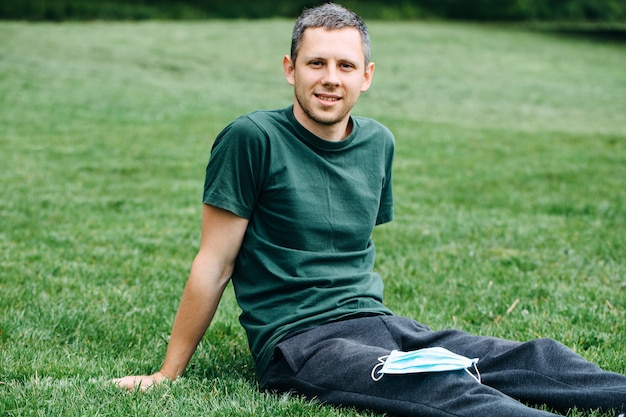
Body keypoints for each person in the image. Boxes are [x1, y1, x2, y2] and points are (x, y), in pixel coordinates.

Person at [113, 3, 626, 416]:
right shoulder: (252, 138)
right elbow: (215, 261)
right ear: (290, 69)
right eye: (316, 63)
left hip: (376, 321)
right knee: (440, 386)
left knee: (532, 358)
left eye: (345, 65)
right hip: (300, 341)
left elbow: (348, 244)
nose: (330, 78)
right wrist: (167, 374)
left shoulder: (378, 141)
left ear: (367, 75)